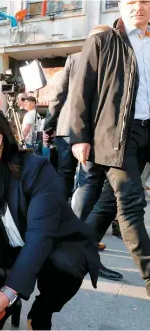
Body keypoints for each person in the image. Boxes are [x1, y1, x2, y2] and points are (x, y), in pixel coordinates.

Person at [0, 105, 100, 330]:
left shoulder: (36, 170)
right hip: (7, 252)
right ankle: (7, 306)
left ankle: (41, 312)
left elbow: (40, 237)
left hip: (57, 245)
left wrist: (6, 295)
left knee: (64, 265)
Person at [67, 0, 150, 295]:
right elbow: (80, 90)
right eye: (131, 2)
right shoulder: (103, 41)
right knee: (130, 202)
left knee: (107, 202)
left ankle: (73, 258)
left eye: (144, 1)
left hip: (147, 131)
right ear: (120, 7)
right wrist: (79, 135)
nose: (138, 7)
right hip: (117, 134)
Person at [44, 25, 112, 202]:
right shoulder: (109, 60)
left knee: (64, 173)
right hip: (89, 128)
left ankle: (59, 215)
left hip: (66, 127)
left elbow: (59, 93)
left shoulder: (74, 58)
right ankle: (78, 220)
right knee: (88, 178)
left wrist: (48, 125)